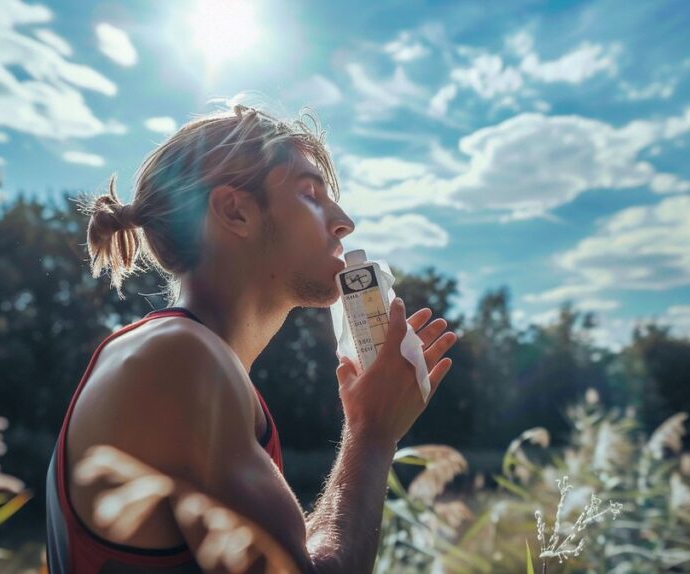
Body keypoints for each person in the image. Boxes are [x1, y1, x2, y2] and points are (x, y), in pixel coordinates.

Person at [45, 104, 458, 573]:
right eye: (310, 194)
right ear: (235, 211)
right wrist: (373, 433)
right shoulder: (179, 360)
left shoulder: (178, 357)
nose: (343, 220)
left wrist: (370, 423)